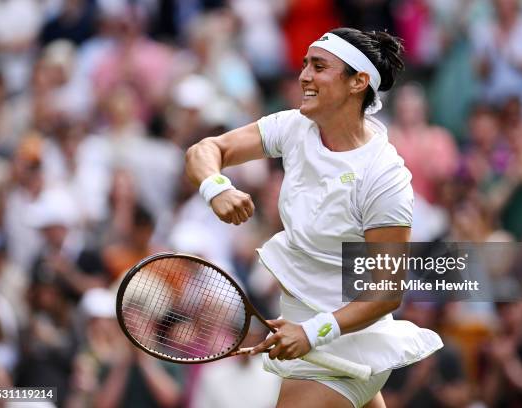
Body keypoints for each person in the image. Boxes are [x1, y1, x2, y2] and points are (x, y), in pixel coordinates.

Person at [185, 27, 442, 408]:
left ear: (358, 82)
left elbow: (387, 291)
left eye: (318, 66)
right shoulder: (293, 127)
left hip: (346, 347)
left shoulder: (384, 176)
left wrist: (312, 332)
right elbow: (206, 149)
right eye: (304, 64)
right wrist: (216, 187)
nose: (304, 75)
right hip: (303, 334)